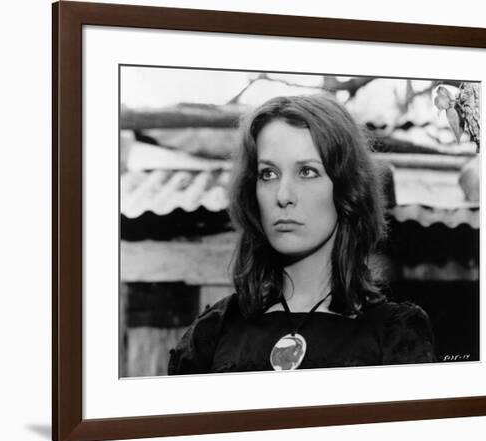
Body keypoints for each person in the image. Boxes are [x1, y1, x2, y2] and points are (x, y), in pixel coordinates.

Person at [168, 94, 435, 374]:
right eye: (268, 174)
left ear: (347, 190)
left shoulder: (394, 335)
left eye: (307, 171)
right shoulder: (211, 333)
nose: (283, 196)